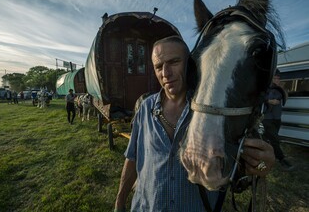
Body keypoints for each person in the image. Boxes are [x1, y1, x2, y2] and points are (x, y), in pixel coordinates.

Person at [114, 36, 276, 212]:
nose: (165, 73)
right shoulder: (145, 108)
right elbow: (132, 158)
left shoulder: (214, 113)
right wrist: (120, 200)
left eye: (174, 62)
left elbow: (238, 166)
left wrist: (259, 165)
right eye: (159, 66)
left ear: (190, 66)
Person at [263, 70, 294, 171]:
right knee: (275, 139)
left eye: (278, 78)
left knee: (270, 139)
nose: (277, 80)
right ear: (271, 78)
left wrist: (282, 88)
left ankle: (267, 156)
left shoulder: (280, 88)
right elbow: (259, 99)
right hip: (267, 118)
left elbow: (285, 99)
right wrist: (269, 101)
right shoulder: (265, 88)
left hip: (277, 118)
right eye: (275, 78)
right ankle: (282, 159)